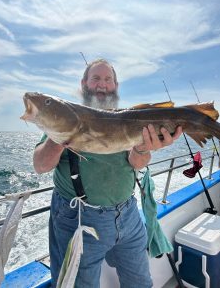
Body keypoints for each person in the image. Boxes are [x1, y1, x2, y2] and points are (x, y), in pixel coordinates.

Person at [33, 59, 182, 288]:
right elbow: (40, 165)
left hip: (128, 215)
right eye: (95, 78)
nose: (102, 85)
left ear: (116, 85)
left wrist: (143, 147)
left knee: (141, 282)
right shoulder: (65, 117)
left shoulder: (128, 119)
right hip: (80, 220)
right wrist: (62, 137)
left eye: (108, 79)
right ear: (84, 84)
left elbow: (137, 163)